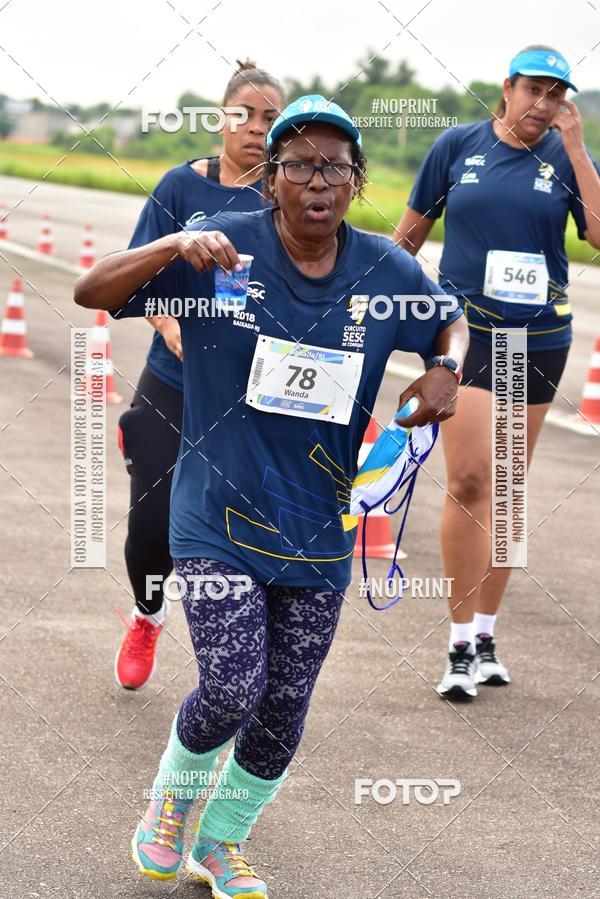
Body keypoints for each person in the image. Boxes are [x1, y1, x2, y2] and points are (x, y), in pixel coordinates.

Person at [75, 94, 468, 895]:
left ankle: (221, 844)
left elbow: (447, 322)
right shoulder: (220, 252)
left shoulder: (383, 268)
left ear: (356, 181)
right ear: (270, 179)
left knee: (284, 708)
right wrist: (173, 243)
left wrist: (446, 368)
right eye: (298, 164)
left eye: (334, 165)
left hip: (317, 528)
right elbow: (92, 290)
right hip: (215, 512)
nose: (316, 179)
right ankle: (172, 804)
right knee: (231, 684)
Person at [395, 45, 600, 700]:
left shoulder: (568, 156)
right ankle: (457, 643)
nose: (545, 105)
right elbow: (408, 239)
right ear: (506, 88)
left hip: (537, 338)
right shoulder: (456, 146)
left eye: (557, 94)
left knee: (508, 489)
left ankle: (486, 631)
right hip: (467, 335)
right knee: (470, 478)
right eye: (534, 90)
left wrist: (578, 148)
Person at [114, 60, 286, 691]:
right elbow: (137, 276)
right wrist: (172, 327)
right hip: (176, 380)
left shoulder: (287, 190)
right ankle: (147, 614)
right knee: (151, 524)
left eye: (271, 118)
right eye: (245, 114)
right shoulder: (180, 187)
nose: (257, 129)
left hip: (251, 392)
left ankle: (245, 667)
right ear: (221, 118)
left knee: (252, 529)